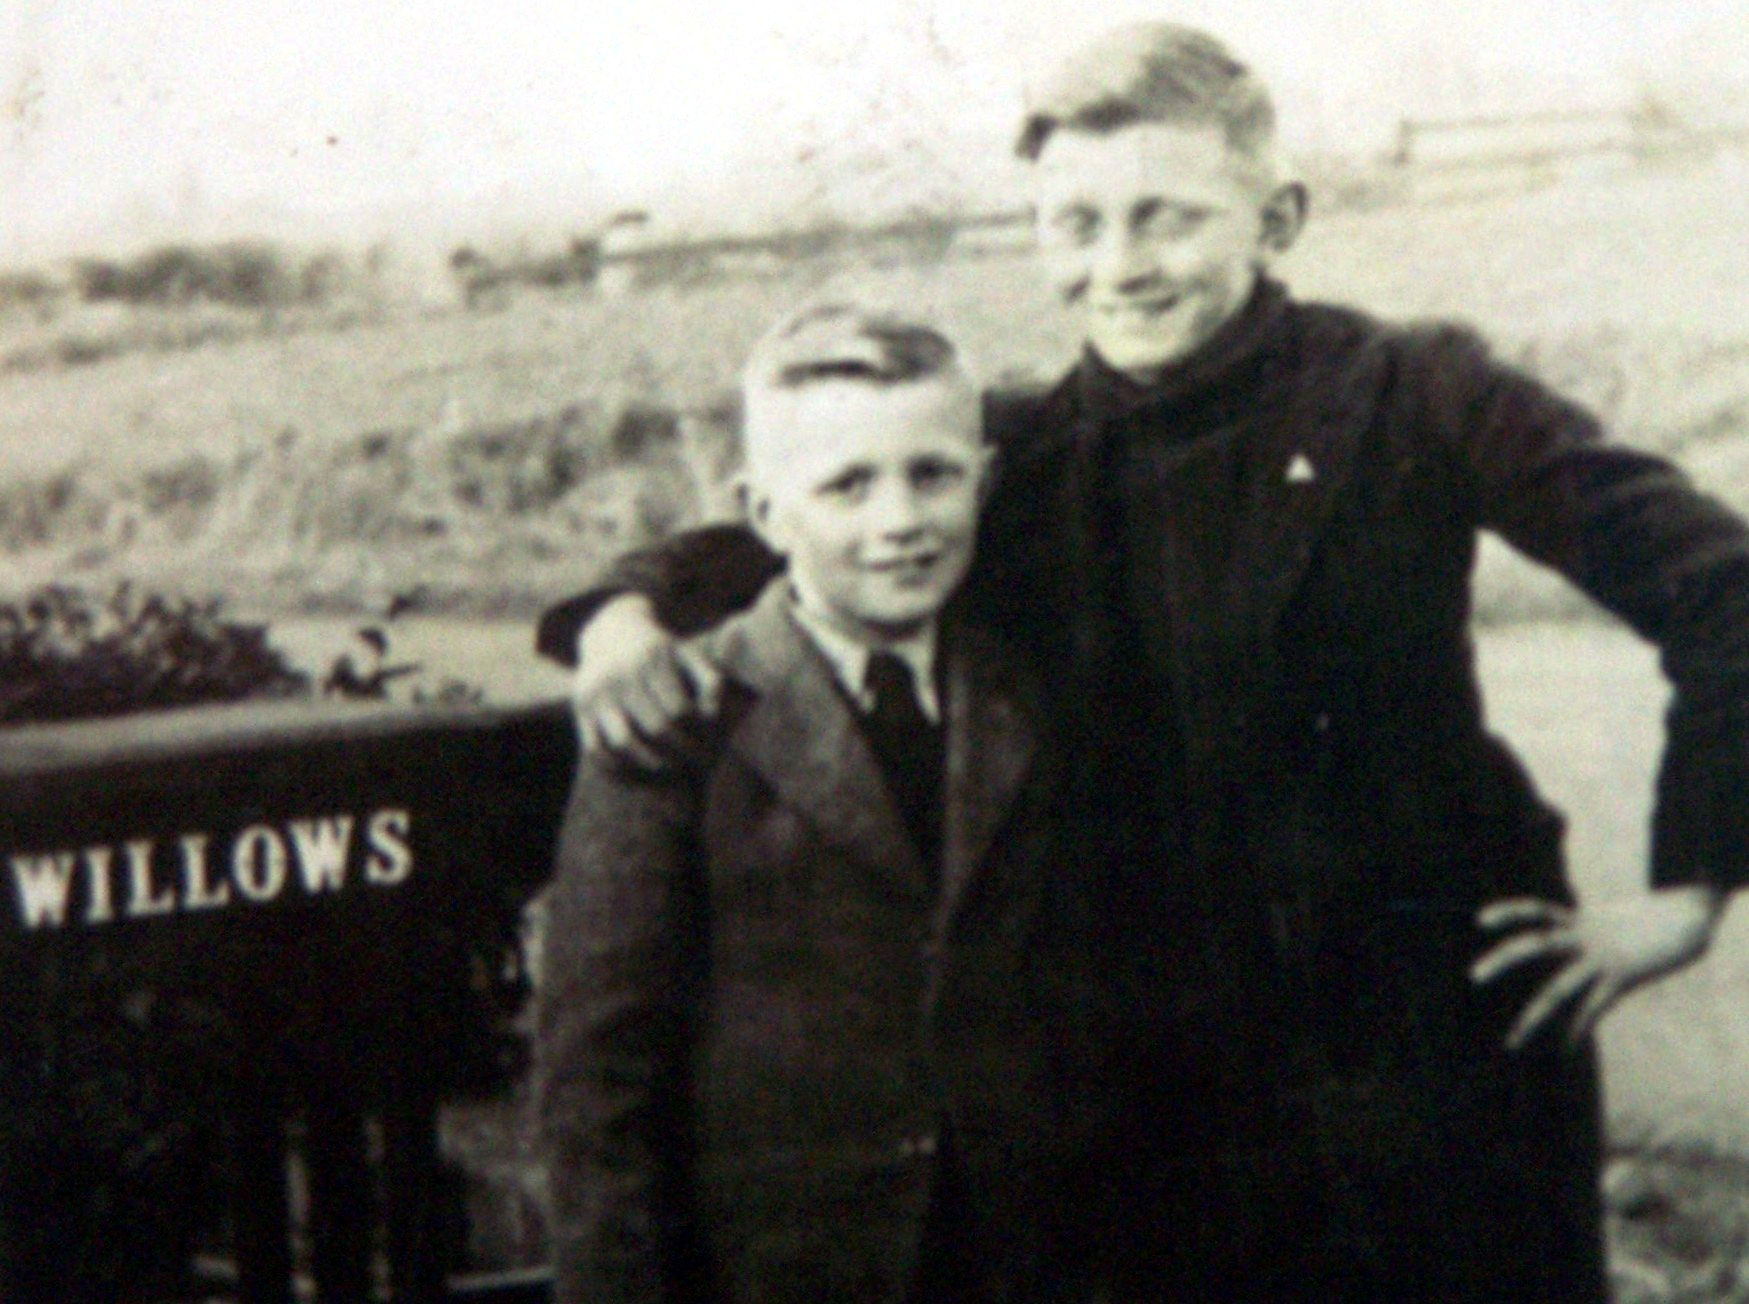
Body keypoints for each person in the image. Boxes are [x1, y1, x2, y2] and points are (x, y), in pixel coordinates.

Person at [537, 24, 1749, 1299]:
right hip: (1154, 1100)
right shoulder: (1015, 455)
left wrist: (1687, 892)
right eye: (1076, 223)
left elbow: (1722, 583)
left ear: (1276, 218)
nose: (1118, 266)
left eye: (1166, 217)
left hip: (1432, 1055)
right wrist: (617, 617)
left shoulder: (1417, 394)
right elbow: (774, 534)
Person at [535, 304, 1086, 1303]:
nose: (899, 521)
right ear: (763, 512)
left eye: (933, 474)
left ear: (984, 481)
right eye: (846, 485)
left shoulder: (1022, 692)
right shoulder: (678, 718)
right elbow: (601, 1077)